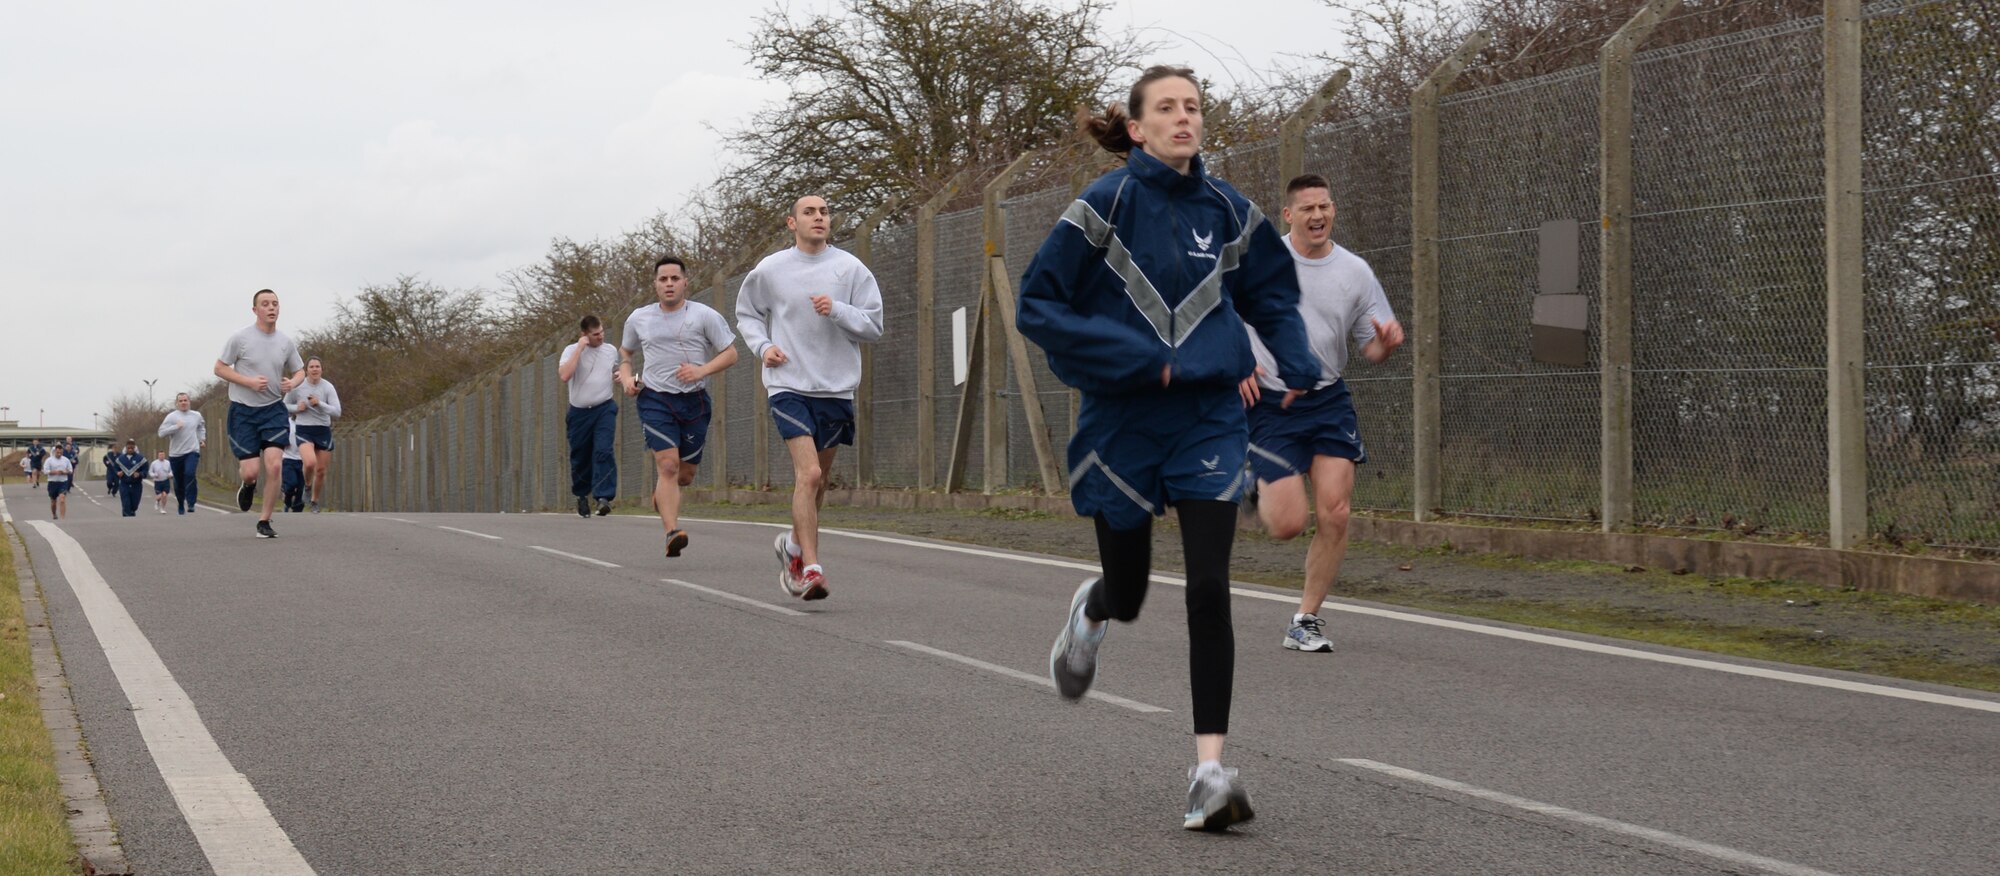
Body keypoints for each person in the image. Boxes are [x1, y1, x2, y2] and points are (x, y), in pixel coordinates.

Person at [1016, 64, 1319, 832]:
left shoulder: (1228, 209)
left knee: (1210, 586)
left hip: (1211, 417)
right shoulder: (1101, 205)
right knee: (1132, 590)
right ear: (1139, 126)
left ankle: (1208, 773)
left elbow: (1272, 295)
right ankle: (1093, 610)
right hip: (1123, 419)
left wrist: (1296, 359)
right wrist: (1131, 357)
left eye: (1193, 107)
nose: (1184, 118)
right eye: (1167, 109)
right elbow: (1037, 305)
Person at [1241, 174, 1405, 653]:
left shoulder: (1355, 272)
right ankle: (1250, 480)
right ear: (1288, 216)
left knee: (1335, 511)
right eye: (1307, 208)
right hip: (1271, 401)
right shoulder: (1260, 260)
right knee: (1287, 524)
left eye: (1325, 206)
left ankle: (1305, 620)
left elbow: (1370, 349)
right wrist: (1235, 358)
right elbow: (1218, 311)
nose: (1318, 216)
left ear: (1333, 210)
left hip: (1328, 399)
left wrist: (1386, 343)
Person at [736, 197, 883, 598]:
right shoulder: (771, 269)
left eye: (824, 212)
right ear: (791, 222)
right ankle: (811, 568)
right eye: (809, 212)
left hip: (835, 388)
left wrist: (837, 309)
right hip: (788, 384)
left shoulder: (850, 268)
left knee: (820, 482)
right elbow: (747, 314)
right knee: (810, 475)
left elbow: (873, 326)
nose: (819, 217)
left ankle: (794, 548)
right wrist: (764, 347)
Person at [619, 256, 739, 555]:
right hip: (655, 399)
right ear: (655, 285)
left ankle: (663, 495)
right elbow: (625, 353)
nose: (669, 284)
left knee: (684, 475)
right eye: (663, 279)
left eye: (675, 278)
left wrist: (701, 370)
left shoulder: (704, 315)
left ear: (686, 282)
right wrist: (625, 379)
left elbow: (731, 353)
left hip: (694, 401)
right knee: (668, 465)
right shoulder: (639, 318)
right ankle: (672, 532)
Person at [214, 288, 306, 538]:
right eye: (265, 304)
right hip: (243, 412)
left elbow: (300, 371)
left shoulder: (285, 342)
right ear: (255, 310)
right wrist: (248, 382)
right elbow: (220, 369)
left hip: (273, 410)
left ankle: (264, 521)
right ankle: (248, 484)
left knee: (275, 466)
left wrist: (293, 384)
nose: (271, 308)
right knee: (252, 470)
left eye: (275, 303)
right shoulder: (240, 338)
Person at [561, 314, 621, 518]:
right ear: (584, 335)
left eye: (602, 332)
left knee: (603, 450)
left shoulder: (610, 350)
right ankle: (581, 495)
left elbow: (616, 371)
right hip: (579, 413)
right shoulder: (571, 351)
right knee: (581, 457)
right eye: (595, 334)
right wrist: (579, 348)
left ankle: (603, 497)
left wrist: (622, 377)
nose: (600, 337)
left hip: (604, 408)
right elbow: (564, 375)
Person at [285, 357, 341, 512]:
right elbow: (283, 406)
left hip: (323, 429)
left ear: (321, 369)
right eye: (312, 367)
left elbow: (337, 411)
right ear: (307, 370)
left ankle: (315, 501)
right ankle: (307, 486)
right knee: (309, 463)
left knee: (321, 471)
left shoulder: (328, 387)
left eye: (318, 366)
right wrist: (297, 408)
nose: (315, 369)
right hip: (304, 429)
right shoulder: (298, 386)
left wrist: (319, 404)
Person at [158, 391, 207, 514]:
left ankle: (191, 503)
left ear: (189, 402)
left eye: (185, 400)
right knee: (178, 481)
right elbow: (161, 433)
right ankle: (180, 503)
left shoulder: (196, 415)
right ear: (177, 403)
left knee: (189, 473)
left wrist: (202, 439)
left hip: (192, 451)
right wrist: (175, 427)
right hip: (176, 454)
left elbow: (201, 426)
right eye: (181, 401)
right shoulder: (172, 417)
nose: (183, 403)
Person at [112, 439, 147, 517]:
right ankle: (127, 517)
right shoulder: (120, 459)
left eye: (132, 448)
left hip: (136, 485)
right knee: (126, 504)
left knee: (134, 505)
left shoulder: (140, 458)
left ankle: (131, 512)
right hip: (124, 485)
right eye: (128, 448)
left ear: (134, 448)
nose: (130, 449)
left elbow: (145, 470)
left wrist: (140, 474)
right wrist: (118, 473)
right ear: (126, 448)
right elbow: (115, 468)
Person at [280, 418, 306, 513]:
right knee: (291, 483)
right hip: (288, 458)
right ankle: (287, 500)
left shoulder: (307, 423)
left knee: (301, 487)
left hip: (303, 459)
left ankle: (297, 510)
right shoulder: (286, 422)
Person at [44, 451, 73, 519]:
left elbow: (70, 470)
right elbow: (45, 471)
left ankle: (62, 518)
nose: (59, 453)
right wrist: (54, 472)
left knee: (62, 499)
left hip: (62, 482)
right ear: (55, 452)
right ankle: (54, 514)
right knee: (53, 501)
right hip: (52, 482)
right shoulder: (49, 460)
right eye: (57, 452)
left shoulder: (66, 460)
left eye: (60, 452)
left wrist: (64, 472)